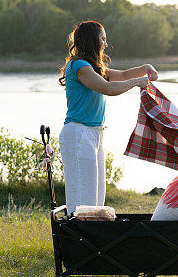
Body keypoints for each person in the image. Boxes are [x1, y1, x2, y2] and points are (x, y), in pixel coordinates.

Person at [57, 20, 158, 214]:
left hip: (95, 134)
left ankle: (92, 241)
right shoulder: (79, 66)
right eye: (102, 39)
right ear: (91, 40)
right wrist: (138, 82)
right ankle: (77, 241)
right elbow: (108, 88)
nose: (105, 43)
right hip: (79, 133)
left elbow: (123, 74)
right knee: (82, 200)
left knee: (96, 198)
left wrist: (146, 67)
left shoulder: (95, 67)